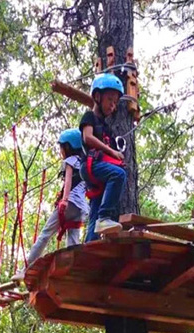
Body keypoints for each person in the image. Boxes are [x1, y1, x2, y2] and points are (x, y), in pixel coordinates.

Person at [12, 129, 89, 281]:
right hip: (81, 208)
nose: (60, 151)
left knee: (45, 235)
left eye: (61, 147)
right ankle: (72, 270)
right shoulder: (84, 163)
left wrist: (64, 200)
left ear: (68, 147)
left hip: (70, 202)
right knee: (73, 240)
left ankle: (24, 270)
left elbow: (68, 181)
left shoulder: (69, 161)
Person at [79, 73, 127, 242]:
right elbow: (87, 137)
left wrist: (118, 159)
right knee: (118, 175)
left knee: (96, 208)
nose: (112, 106)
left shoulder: (106, 127)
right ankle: (104, 217)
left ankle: (89, 246)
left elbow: (110, 150)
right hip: (90, 165)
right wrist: (112, 152)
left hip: (96, 168)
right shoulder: (89, 116)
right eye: (110, 100)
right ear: (97, 96)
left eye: (115, 103)